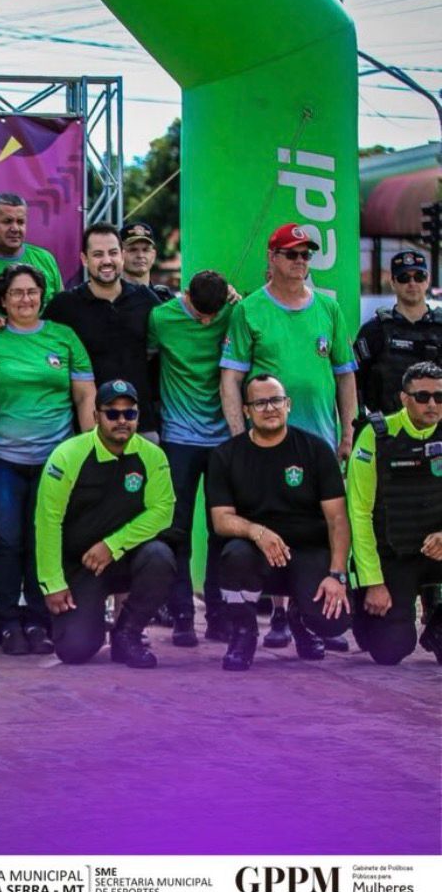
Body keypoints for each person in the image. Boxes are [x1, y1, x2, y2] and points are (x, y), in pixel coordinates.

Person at [0, 263, 95, 656]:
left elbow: (86, 396)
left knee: (43, 541)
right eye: (17, 293)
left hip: (54, 460)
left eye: (32, 292)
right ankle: (8, 623)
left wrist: (90, 451)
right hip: (4, 459)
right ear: (2, 301)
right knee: (6, 543)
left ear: (42, 296)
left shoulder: (64, 336)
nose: (26, 299)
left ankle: (40, 621)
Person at [206, 374, 352, 671]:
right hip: (256, 557)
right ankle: (243, 634)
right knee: (234, 554)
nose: (269, 408)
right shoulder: (226, 455)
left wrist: (337, 575)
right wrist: (257, 532)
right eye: (259, 402)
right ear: (246, 410)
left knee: (333, 621)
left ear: (288, 405)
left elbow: (337, 519)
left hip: (309, 552)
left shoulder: (316, 449)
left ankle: (302, 620)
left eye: (275, 400)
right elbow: (221, 520)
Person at [35, 380, 175, 668]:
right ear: (96, 415)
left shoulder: (152, 455)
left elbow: (163, 511)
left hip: (126, 557)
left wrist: (112, 546)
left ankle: (128, 634)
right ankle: (92, 624)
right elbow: (47, 520)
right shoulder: (68, 454)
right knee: (75, 650)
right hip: (82, 564)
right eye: (112, 414)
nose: (121, 421)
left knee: (160, 557)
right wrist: (52, 583)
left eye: (130, 414)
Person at [147, 270, 234, 645]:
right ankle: (182, 613)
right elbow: (147, 363)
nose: (206, 322)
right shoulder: (162, 318)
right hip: (179, 437)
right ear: (186, 296)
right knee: (176, 529)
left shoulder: (232, 311)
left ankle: (217, 614)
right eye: (200, 314)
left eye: (212, 316)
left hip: (222, 438)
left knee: (222, 529)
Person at [220, 223, 357, 459]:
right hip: (266, 441)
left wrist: (347, 436)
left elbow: (345, 375)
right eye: (292, 254)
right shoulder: (248, 310)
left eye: (306, 255)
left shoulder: (329, 308)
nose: (300, 260)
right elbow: (230, 380)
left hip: (321, 439)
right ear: (272, 257)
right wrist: (240, 438)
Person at [347, 362, 442, 665]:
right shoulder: (377, 435)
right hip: (394, 553)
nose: (432, 404)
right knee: (390, 651)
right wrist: (373, 581)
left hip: (438, 548)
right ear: (403, 398)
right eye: (422, 396)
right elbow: (359, 514)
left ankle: (437, 626)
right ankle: (362, 603)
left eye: (440, 397)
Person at [43, 223, 162, 439]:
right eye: (98, 254)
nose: (107, 261)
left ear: (122, 256)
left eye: (113, 253)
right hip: (86, 430)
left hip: (141, 426)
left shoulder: (147, 300)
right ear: (84, 259)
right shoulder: (64, 306)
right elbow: (31, 334)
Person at [353, 249, 442, 417]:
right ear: (393, 282)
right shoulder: (374, 331)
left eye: (419, 277)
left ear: (428, 280)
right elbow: (352, 381)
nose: (412, 283)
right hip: (386, 431)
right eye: (404, 278)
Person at [0, 193, 63, 313]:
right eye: (7, 221)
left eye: (20, 222)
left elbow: (63, 310)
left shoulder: (45, 259)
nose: (15, 228)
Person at [120, 221, 174, 302]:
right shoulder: (111, 299)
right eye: (132, 250)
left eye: (145, 250)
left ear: (153, 255)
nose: (140, 255)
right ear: (119, 255)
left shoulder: (166, 299)